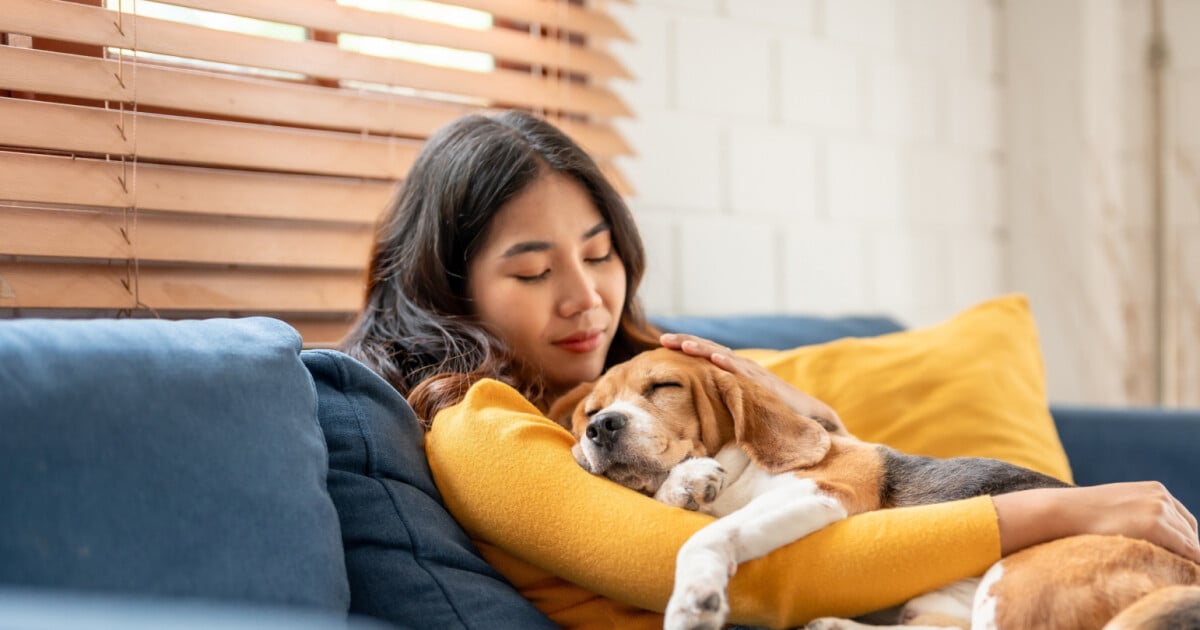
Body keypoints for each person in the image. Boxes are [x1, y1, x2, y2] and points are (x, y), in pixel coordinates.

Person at [341, 110, 1200, 628]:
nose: (586, 298)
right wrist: (1060, 507)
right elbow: (765, 575)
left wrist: (799, 412)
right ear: (448, 286)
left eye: (600, 256)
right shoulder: (479, 427)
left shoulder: (651, 379)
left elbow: (838, 477)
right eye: (532, 271)